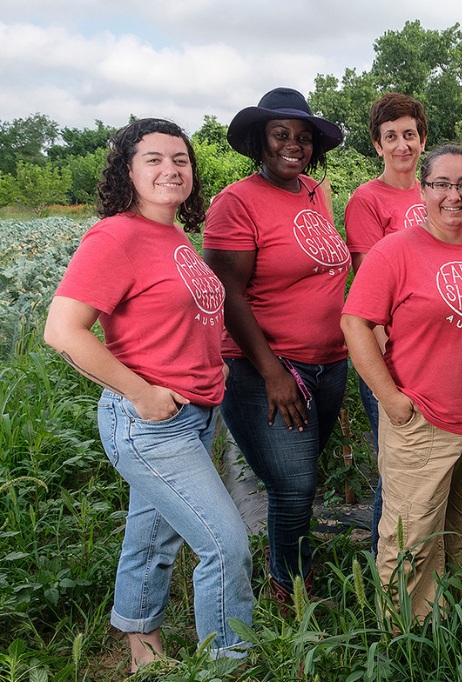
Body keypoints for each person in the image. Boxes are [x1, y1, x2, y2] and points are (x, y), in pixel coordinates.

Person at [44, 119, 253, 669]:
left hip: (195, 413)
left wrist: (212, 370)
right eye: (154, 159)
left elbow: (182, 319)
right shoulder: (116, 235)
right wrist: (141, 392)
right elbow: (62, 331)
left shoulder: (172, 235)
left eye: (180, 159)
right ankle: (227, 667)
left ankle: (142, 650)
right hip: (151, 424)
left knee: (153, 540)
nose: (170, 169)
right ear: (128, 170)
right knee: (224, 545)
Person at [342, 144, 462, 619]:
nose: (454, 195)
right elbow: (355, 324)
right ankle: (401, 640)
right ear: (424, 191)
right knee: (410, 538)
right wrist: (391, 400)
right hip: (421, 419)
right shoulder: (394, 252)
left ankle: (447, 629)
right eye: (442, 184)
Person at [202, 87, 349, 605]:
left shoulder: (312, 191)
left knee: (301, 481)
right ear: (259, 143)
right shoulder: (236, 202)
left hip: (329, 364)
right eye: (281, 135)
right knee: (294, 484)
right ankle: (289, 592)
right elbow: (227, 294)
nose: (294, 145)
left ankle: (294, 575)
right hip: (268, 366)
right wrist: (272, 373)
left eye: (304, 138)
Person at [344, 93, 428, 555]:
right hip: (393, 353)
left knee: (429, 463)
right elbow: (367, 290)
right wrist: (386, 365)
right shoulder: (367, 200)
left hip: (431, 351)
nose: (402, 145)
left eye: (409, 135)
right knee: (396, 466)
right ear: (377, 145)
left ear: (422, 139)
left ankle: (429, 557)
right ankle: (390, 569)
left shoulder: (433, 189)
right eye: (391, 136)